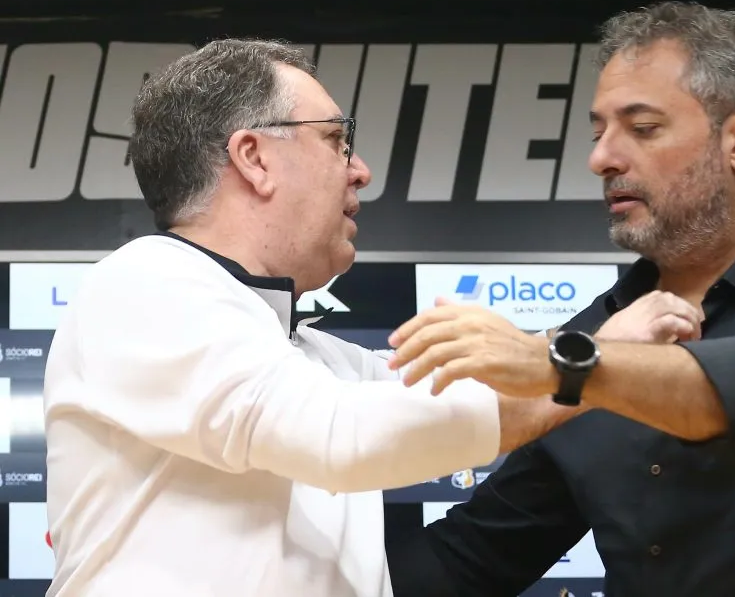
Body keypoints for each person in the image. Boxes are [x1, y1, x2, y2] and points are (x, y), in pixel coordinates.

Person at [385, 2, 735, 597]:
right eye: (598, 133)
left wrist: (566, 365)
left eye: (642, 129)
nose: (602, 159)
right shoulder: (598, 335)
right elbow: (477, 553)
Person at [41, 39, 583, 597]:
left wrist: (609, 350)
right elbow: (341, 434)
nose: (361, 170)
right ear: (254, 158)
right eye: (335, 140)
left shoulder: (314, 357)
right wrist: (590, 373)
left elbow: (460, 396)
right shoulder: (145, 284)